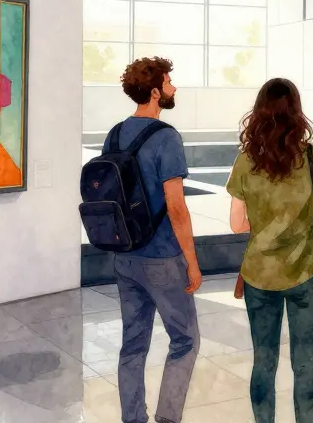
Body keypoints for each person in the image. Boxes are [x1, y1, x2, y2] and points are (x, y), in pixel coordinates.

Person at [227, 78, 313, 423]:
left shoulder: (246, 159)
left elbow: (236, 224)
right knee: (305, 362)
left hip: (258, 275)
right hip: (305, 274)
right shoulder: (311, 156)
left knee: (263, 362)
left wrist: (265, 224)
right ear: (296, 111)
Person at [107, 57, 200, 423]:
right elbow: (176, 207)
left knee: (133, 344)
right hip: (162, 257)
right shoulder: (166, 137)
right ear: (157, 91)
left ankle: (133, 419)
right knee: (185, 341)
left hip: (125, 257)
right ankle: (167, 419)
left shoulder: (114, 134)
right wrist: (191, 260)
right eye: (170, 81)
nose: (175, 87)